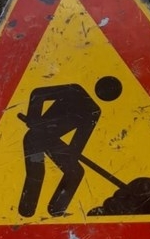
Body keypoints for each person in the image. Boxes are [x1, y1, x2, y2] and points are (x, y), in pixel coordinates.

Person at [17, 76, 123, 217]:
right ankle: (26, 210)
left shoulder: (94, 111)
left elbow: (78, 142)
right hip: (35, 139)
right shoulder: (75, 91)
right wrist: (34, 117)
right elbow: (38, 94)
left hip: (52, 143)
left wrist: (72, 154)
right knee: (36, 172)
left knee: (75, 172)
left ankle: (56, 209)